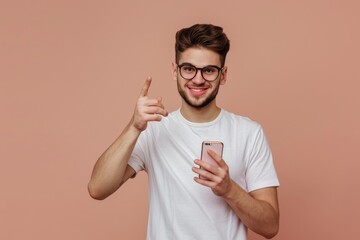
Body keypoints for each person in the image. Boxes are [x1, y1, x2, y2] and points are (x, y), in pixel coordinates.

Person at [88, 24, 280, 240]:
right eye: (189, 68)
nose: (198, 79)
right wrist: (133, 127)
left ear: (223, 75)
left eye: (208, 70)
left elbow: (271, 226)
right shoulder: (154, 130)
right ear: (175, 71)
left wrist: (229, 190)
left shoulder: (249, 133)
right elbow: (97, 189)